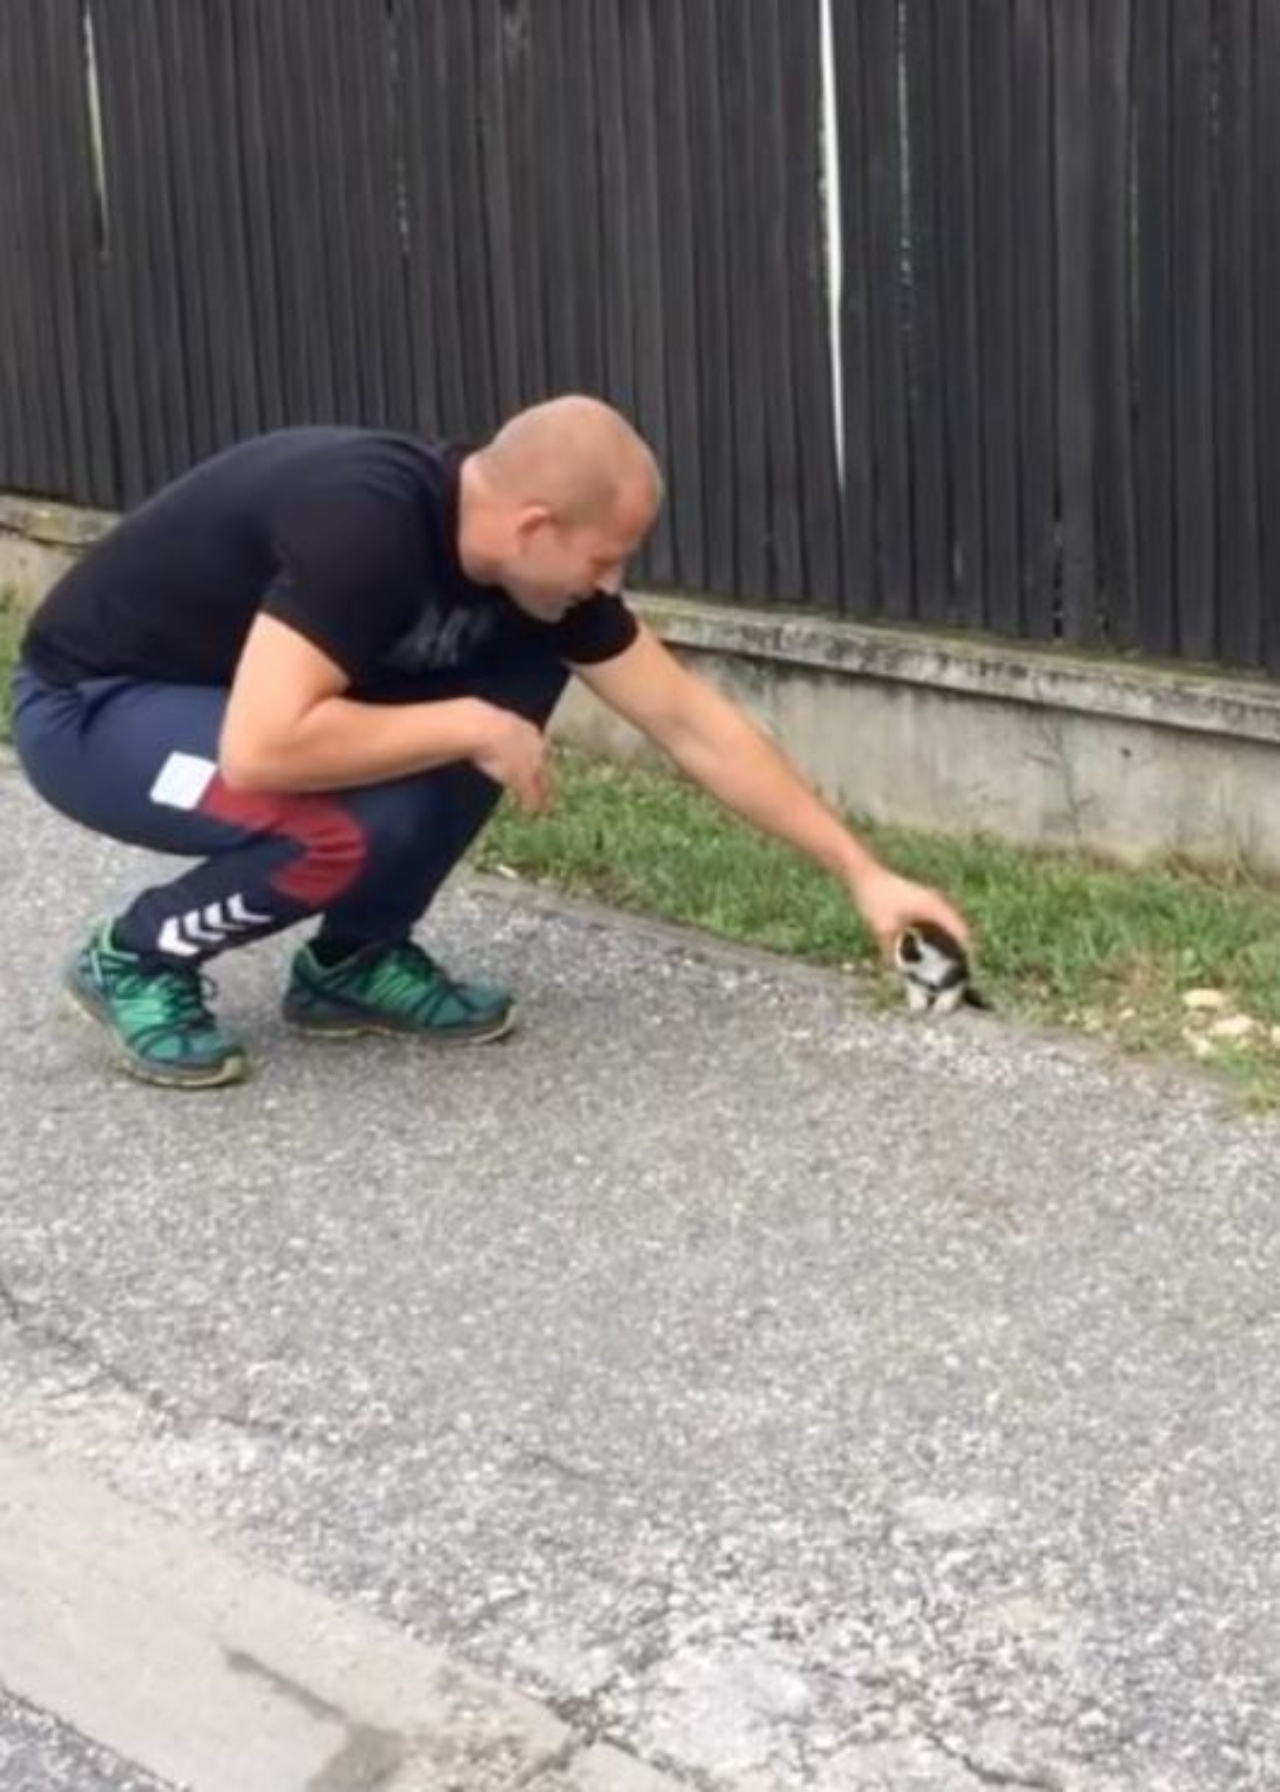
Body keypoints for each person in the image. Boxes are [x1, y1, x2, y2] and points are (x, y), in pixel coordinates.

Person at [11, 394, 970, 1090]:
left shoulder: (531, 577)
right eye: (605, 558)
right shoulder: (367, 524)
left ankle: (353, 963)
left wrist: (862, 872)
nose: (608, 582)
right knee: (333, 823)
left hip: (224, 706)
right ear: (535, 524)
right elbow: (265, 748)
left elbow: (692, 723)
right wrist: (467, 724)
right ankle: (133, 957)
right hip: (96, 711)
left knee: (517, 676)